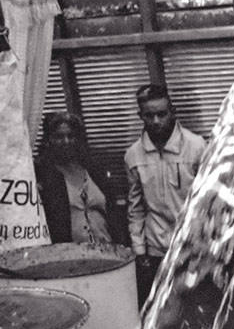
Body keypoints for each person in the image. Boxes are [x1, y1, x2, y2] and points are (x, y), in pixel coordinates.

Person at [124, 84, 206, 307]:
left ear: (173, 111)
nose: (156, 121)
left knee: (197, 306)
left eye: (162, 114)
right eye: (149, 115)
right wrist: (139, 250)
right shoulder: (133, 155)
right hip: (157, 249)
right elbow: (136, 207)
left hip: (192, 247)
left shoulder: (196, 147)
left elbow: (208, 200)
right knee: (164, 308)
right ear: (140, 116)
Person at [35, 112, 116, 244]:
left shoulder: (94, 170)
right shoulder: (44, 176)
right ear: (49, 139)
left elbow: (113, 212)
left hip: (108, 251)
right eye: (59, 137)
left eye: (71, 136)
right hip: (70, 256)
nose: (66, 141)